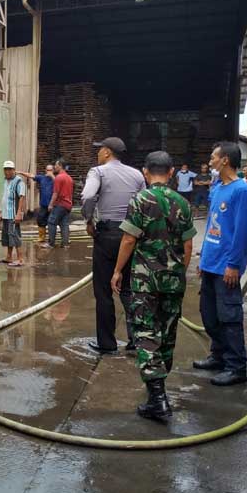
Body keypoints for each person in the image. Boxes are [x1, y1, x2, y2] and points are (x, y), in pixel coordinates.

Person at [112, 151, 196, 421]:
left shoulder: (140, 200)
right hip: (173, 280)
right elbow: (188, 245)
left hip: (145, 280)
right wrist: (178, 272)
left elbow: (128, 240)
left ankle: (157, 398)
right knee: (167, 332)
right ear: (171, 172)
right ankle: (158, 388)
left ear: (146, 172)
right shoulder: (183, 202)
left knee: (146, 333)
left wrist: (117, 271)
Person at [194, 142, 247, 386]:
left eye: (213, 157)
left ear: (225, 160)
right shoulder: (218, 187)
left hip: (226, 266)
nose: (211, 162)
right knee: (209, 315)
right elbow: (211, 225)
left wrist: (233, 264)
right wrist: (203, 257)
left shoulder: (242, 191)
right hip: (210, 262)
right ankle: (217, 356)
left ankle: (236, 366)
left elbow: (241, 232)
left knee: (229, 317)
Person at [81, 137, 146, 354]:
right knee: (128, 289)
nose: (98, 154)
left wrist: (88, 220)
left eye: (100, 150)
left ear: (107, 152)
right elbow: (144, 202)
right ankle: (136, 340)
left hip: (107, 234)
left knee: (103, 292)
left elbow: (88, 195)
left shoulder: (98, 172)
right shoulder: (137, 174)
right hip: (131, 234)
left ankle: (107, 343)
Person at [17, 164, 54, 242]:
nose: (49, 172)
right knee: (40, 220)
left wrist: (52, 176)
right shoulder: (42, 178)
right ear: (45, 171)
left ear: (53, 171)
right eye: (47, 170)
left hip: (53, 205)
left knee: (52, 222)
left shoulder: (56, 179)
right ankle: (42, 237)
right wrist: (20, 172)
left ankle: (52, 239)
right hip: (43, 204)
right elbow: (31, 175)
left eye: (50, 170)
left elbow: (58, 183)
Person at [42, 158, 73, 249]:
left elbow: (55, 193)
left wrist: (51, 204)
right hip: (68, 205)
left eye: (56, 165)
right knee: (64, 224)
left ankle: (51, 243)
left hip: (60, 204)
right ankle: (65, 244)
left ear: (60, 166)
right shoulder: (69, 178)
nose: (54, 167)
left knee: (51, 222)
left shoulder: (59, 178)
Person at [0, 160, 26, 267]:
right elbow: (5, 197)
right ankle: (9, 257)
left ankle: (20, 259)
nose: (7, 172)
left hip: (13, 214)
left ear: (14, 170)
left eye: (9, 169)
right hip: (6, 214)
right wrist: (1, 211)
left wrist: (19, 213)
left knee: (14, 235)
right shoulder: (5, 181)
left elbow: (21, 197)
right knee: (7, 235)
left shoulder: (19, 181)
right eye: (5, 169)